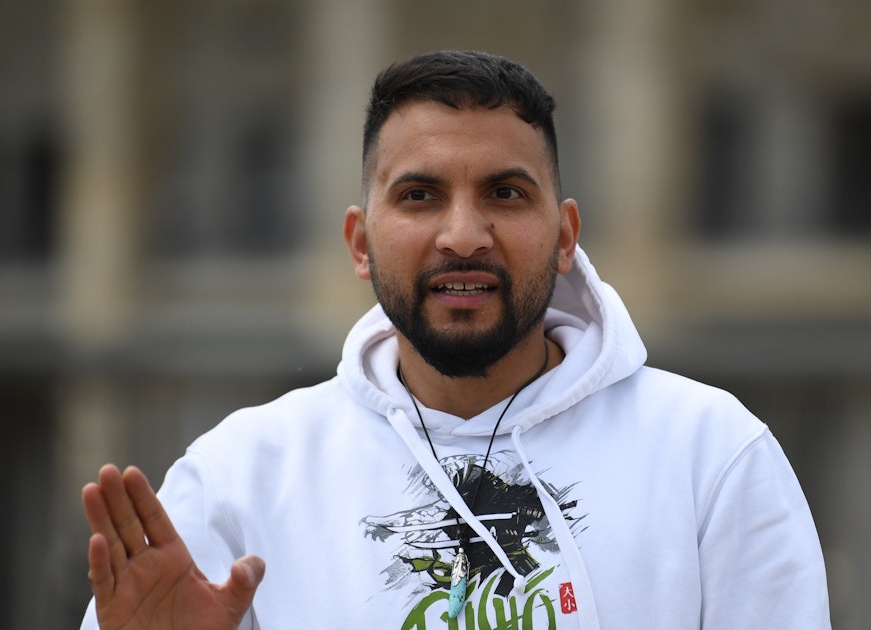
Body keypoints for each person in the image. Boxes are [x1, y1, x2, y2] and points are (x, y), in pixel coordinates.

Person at [80, 49, 830, 629]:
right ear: (360, 243)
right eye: (420, 196)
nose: (464, 235)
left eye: (505, 193)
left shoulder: (711, 456)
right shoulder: (239, 477)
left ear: (565, 236)